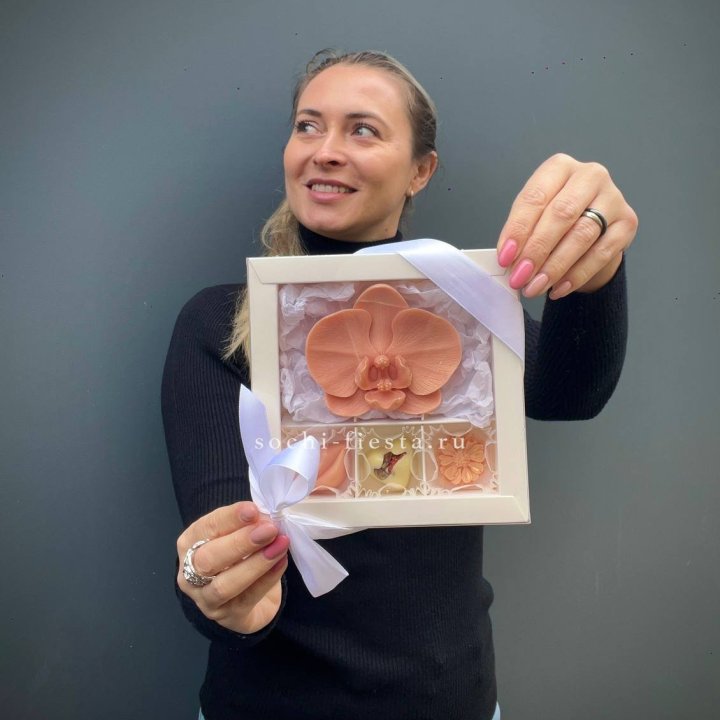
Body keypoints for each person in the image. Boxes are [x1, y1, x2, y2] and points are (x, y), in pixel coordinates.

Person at [162, 50, 636, 720]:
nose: (326, 150)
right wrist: (221, 593)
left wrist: (595, 268)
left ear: (421, 171)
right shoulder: (222, 323)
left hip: (451, 699)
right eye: (307, 125)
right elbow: (219, 552)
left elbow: (571, 395)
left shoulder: (463, 306)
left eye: (363, 129)